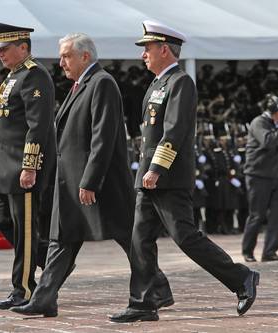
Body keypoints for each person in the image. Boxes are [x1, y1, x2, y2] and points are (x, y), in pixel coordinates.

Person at [10, 33, 173, 318]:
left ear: (85, 56)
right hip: (71, 181)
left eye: (66, 56)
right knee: (62, 240)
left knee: (129, 238)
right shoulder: (79, 85)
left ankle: (156, 288)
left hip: (100, 184)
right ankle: (44, 298)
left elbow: (103, 137)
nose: (61, 62)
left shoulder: (102, 83)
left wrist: (90, 180)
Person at [110, 21, 259, 323]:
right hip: (149, 179)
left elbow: (174, 131)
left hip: (168, 177)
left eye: (148, 49)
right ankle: (142, 303)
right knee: (140, 240)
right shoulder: (156, 84)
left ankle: (242, 277)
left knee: (185, 236)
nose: (143, 55)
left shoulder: (180, 82)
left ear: (164, 49)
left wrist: (155, 169)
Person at [0, 22, 56, 310]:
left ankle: (24, 289)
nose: (1, 54)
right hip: (5, 163)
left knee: (24, 228)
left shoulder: (34, 75)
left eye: (6, 48)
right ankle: (49, 258)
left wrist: (30, 166)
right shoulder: (13, 76)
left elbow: (38, 126)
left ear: (23, 47)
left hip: (21, 164)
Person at [241, 94, 278, 262]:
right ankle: (248, 251)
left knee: (277, 215)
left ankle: (270, 251)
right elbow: (267, 141)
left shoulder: (275, 124)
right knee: (257, 214)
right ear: (274, 111)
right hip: (258, 175)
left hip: (275, 176)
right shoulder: (259, 122)